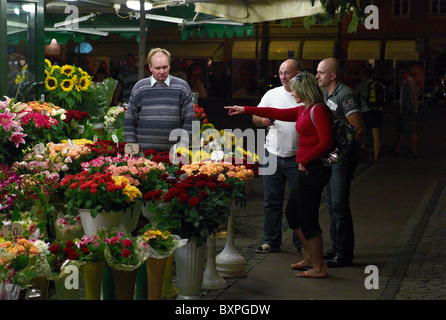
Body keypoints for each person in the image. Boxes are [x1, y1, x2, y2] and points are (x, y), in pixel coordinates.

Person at [226, 72, 333, 278]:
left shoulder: (317, 110)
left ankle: (319, 267)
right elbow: (274, 111)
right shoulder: (303, 109)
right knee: (293, 214)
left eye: (295, 90)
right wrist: (245, 109)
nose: (292, 93)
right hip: (305, 168)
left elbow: (326, 142)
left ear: (305, 90)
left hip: (313, 170)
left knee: (308, 218)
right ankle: (310, 258)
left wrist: (304, 160)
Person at [316, 58, 365, 268]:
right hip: (330, 157)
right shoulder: (327, 94)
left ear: (333, 75)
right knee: (331, 204)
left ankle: (345, 254)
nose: (317, 76)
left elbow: (358, 129)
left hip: (340, 158)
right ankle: (336, 247)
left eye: (320, 73)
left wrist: (342, 155)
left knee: (339, 205)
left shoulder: (345, 95)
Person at [250, 59, 301, 254]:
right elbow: (255, 116)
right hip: (271, 154)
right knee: (271, 201)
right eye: (280, 73)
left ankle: (301, 243)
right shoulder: (272, 94)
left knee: (298, 202)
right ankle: (271, 240)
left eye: (287, 72)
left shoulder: (304, 95)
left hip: (297, 156)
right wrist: (262, 120)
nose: (283, 77)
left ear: (298, 72)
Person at [123, 48, 195, 152]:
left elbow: (189, 121)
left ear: (169, 65)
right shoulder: (140, 88)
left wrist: (182, 148)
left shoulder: (181, 87)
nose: (162, 71)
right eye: (157, 68)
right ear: (150, 67)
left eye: (165, 67)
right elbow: (130, 120)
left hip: (174, 154)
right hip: (143, 156)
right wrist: (132, 152)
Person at [355, 69, 383, 164]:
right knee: (376, 136)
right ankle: (376, 157)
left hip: (365, 112)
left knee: (363, 135)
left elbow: (355, 98)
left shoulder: (360, 86)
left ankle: (363, 154)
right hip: (377, 112)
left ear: (364, 75)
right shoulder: (377, 84)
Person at [392, 65, 419, 158]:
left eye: (401, 73)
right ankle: (398, 149)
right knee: (403, 130)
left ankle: (414, 151)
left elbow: (409, 99)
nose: (400, 75)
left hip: (408, 111)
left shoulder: (408, 83)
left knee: (411, 131)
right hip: (408, 110)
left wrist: (407, 110)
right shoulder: (408, 83)